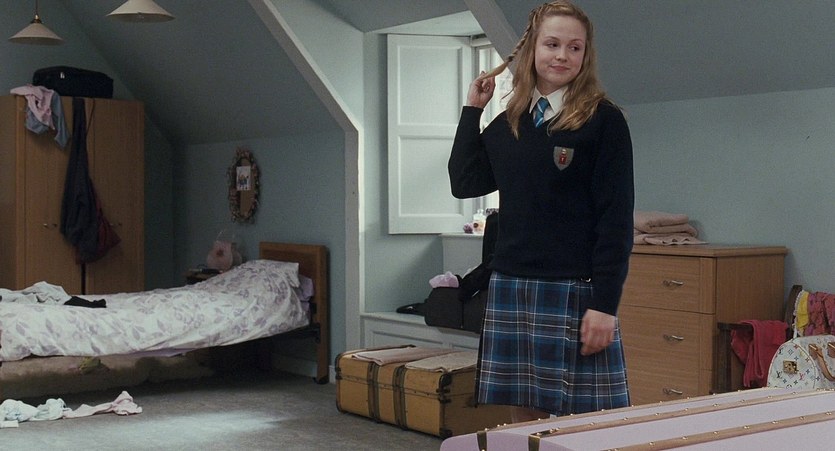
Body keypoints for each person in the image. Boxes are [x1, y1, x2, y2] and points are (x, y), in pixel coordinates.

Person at [448, 1, 634, 421]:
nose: (562, 56)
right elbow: (465, 183)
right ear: (533, 47)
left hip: (575, 289)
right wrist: (472, 111)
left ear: (585, 55)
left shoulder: (603, 121)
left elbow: (616, 221)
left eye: (574, 47)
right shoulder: (510, 122)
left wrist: (605, 304)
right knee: (523, 416)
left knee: (591, 423)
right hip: (511, 283)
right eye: (552, 44)